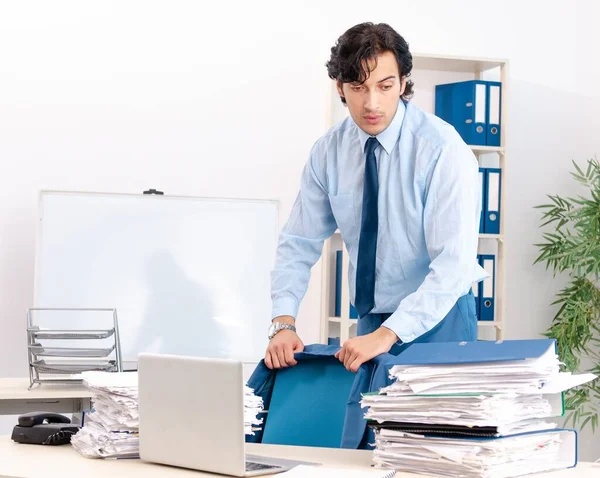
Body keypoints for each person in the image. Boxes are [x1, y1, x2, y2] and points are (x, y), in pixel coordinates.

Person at [265, 22, 486, 372]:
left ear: (402, 82)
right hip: (371, 320)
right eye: (358, 87)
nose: (372, 103)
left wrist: (389, 334)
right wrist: (283, 322)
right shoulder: (329, 152)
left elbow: (453, 264)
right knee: (368, 427)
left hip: (440, 317)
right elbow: (298, 241)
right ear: (340, 87)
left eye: (385, 86)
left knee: (433, 427)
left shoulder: (442, 149)